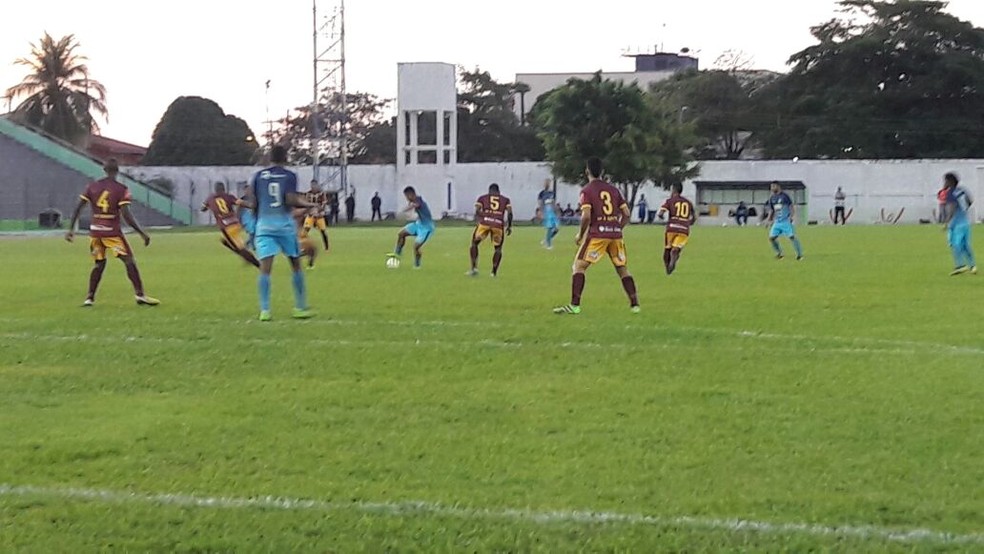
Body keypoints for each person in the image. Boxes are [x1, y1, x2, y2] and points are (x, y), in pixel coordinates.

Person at [64, 159, 159, 307]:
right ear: (117, 171)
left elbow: (78, 207)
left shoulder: (92, 187)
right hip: (112, 233)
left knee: (99, 263)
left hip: (95, 232)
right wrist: (141, 232)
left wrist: (71, 229)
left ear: (104, 170)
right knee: (129, 261)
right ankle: (140, 295)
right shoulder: (121, 189)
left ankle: (89, 298)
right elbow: (126, 214)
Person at [553, 157, 639, 315]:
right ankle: (635, 305)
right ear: (603, 172)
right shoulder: (614, 190)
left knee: (579, 267)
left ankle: (574, 306)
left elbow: (586, 216)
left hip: (598, 234)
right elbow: (626, 213)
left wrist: (580, 234)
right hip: (615, 235)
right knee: (622, 269)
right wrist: (617, 228)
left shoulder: (587, 190)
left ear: (587, 171)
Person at [242, 145, 317, 321]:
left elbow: (254, 203)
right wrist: (309, 205)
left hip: (264, 226)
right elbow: (290, 199)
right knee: (295, 265)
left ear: (270, 158)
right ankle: (299, 307)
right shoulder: (290, 176)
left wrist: (254, 227)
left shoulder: (258, 176)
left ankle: (265, 311)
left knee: (265, 269)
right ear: (286, 158)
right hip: (284, 226)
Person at [201, 182, 260, 267]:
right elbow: (239, 202)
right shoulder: (228, 196)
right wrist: (252, 206)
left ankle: (258, 265)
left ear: (215, 189)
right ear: (224, 189)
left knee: (239, 248)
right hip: (235, 224)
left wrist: (207, 207)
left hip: (226, 226)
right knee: (226, 241)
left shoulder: (210, 198)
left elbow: (203, 208)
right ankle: (246, 257)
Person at [468, 183, 513, 277]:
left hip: (485, 223)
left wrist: (482, 217)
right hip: (498, 224)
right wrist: (509, 226)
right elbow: (509, 213)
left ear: (489, 191)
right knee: (498, 248)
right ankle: (493, 272)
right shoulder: (505, 199)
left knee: (474, 243)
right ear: (499, 191)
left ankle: (474, 268)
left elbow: (477, 210)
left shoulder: (482, 198)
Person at [387, 186, 435, 269]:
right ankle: (397, 253)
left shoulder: (418, 200)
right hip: (418, 224)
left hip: (427, 228)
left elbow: (415, 205)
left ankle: (417, 264)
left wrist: (403, 211)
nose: (406, 198)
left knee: (416, 246)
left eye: (406, 196)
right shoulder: (413, 201)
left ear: (411, 194)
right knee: (401, 233)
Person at [657, 183, 697, 275]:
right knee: (676, 248)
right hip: (684, 229)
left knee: (667, 250)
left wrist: (662, 217)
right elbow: (694, 217)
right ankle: (674, 255)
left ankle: (668, 268)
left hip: (672, 228)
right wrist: (689, 223)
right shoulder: (688, 202)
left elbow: (660, 213)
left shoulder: (670, 201)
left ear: (674, 190)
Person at [941, 172, 977, 276]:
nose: (945, 183)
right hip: (965, 222)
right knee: (965, 244)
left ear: (950, 181)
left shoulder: (951, 193)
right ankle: (972, 266)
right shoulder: (962, 190)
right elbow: (970, 201)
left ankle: (960, 265)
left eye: (946, 180)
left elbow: (951, 208)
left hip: (956, 223)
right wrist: (964, 210)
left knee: (955, 243)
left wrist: (947, 222)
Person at [767, 182, 803, 260]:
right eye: (771, 187)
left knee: (792, 236)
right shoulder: (772, 198)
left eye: (773, 186)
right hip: (777, 222)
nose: (772, 188)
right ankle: (779, 253)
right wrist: (769, 219)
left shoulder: (784, 196)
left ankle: (799, 254)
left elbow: (791, 207)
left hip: (785, 221)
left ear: (778, 186)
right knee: (771, 238)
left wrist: (791, 216)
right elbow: (771, 210)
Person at [303, 180, 330, 251]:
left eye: (314, 185)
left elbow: (324, 204)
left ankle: (326, 247)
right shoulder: (308, 194)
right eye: (312, 185)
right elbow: (306, 204)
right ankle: (304, 247)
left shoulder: (321, 194)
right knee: (305, 231)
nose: (313, 187)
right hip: (311, 215)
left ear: (317, 185)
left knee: (323, 231)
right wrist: (310, 211)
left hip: (319, 215)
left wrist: (319, 211)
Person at [537, 180, 560, 249]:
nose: (547, 184)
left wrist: (557, 211)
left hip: (552, 211)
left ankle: (547, 239)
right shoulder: (542, 193)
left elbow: (554, 202)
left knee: (556, 229)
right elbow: (540, 203)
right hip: (546, 211)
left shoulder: (552, 193)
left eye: (548, 183)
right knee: (549, 228)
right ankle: (549, 245)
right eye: (546, 183)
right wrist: (540, 212)